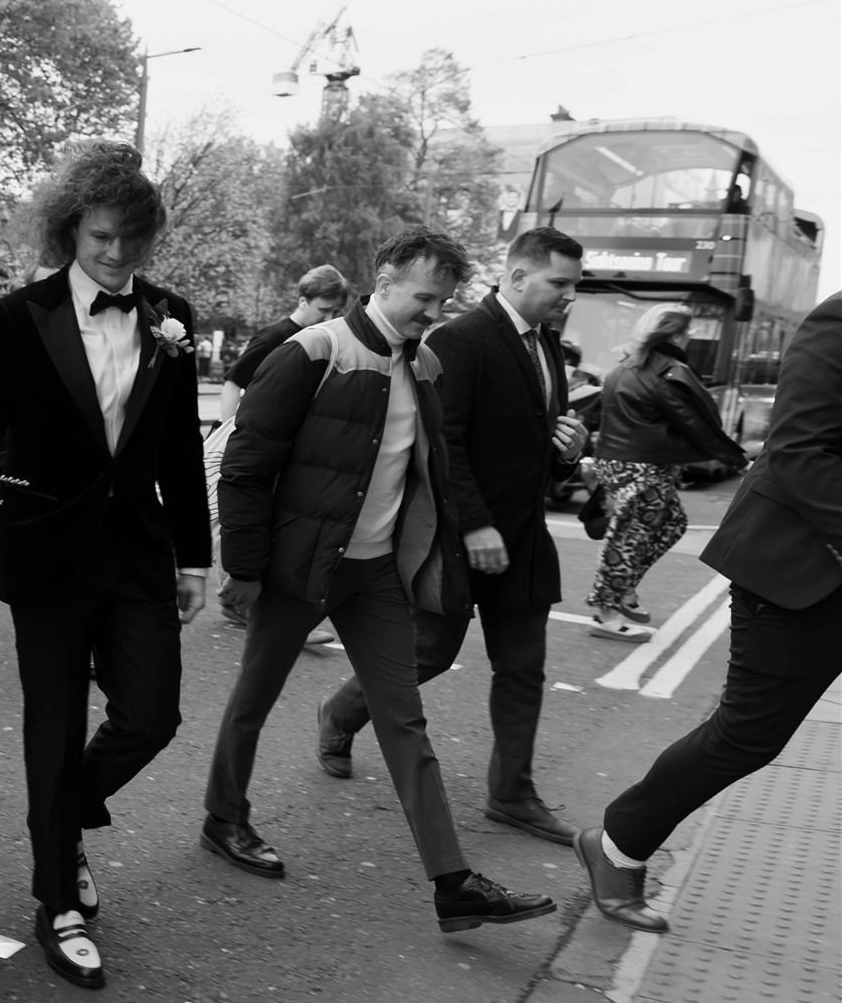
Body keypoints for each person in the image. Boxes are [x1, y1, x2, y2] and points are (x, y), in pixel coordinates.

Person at [207, 226, 556, 935]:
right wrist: (243, 570)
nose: (432, 315)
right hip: (299, 567)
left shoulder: (424, 363)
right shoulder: (312, 352)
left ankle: (453, 882)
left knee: (404, 720)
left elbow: (433, 471)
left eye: (443, 303)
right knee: (254, 698)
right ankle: (224, 818)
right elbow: (245, 465)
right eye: (424, 299)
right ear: (386, 276)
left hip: (375, 577)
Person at [0, 140, 210, 992]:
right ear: (70, 231)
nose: (117, 254)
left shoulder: (174, 319)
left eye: (133, 239)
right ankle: (57, 899)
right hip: (44, 551)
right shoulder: (15, 319)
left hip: (137, 550)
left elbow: (176, 449)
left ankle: (72, 811)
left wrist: (196, 558)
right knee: (52, 730)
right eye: (101, 237)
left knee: (154, 714)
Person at [575, 295, 842, 932]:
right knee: (746, 737)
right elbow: (801, 451)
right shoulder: (838, 323)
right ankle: (617, 842)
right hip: (799, 571)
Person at [318, 227, 589, 845]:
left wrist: (568, 455)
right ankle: (339, 712)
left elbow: (531, 445)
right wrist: (476, 524)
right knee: (428, 654)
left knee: (522, 668)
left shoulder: (547, 345)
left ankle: (512, 793)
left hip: (523, 541)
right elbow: (446, 442)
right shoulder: (461, 338)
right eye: (560, 283)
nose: (570, 296)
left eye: (575, 285)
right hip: (462, 535)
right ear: (518, 277)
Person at [584, 303, 749, 641]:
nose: (689, 339)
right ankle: (606, 614)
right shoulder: (666, 372)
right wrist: (736, 459)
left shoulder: (625, 366)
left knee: (672, 523)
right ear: (675, 334)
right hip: (644, 466)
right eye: (687, 332)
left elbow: (599, 414)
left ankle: (623, 588)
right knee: (628, 539)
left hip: (619, 462)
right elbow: (695, 424)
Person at [218, 264, 350, 421]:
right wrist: (228, 433)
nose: (330, 318)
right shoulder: (272, 338)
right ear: (303, 301)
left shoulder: (330, 339)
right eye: (323, 310)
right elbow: (233, 384)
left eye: (336, 311)